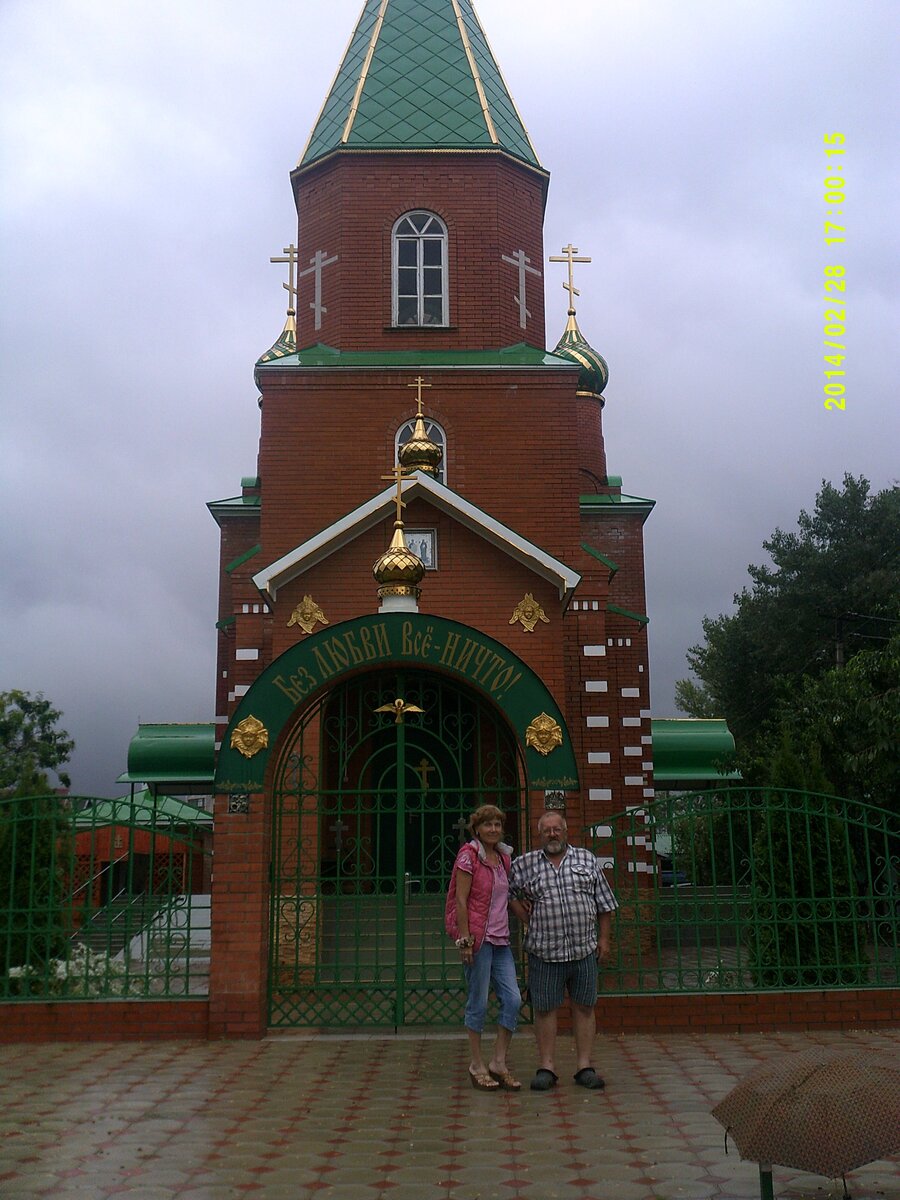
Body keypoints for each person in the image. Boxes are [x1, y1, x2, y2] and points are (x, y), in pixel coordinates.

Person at [509, 810, 618, 1091]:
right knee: (545, 1009)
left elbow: (604, 903)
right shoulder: (525, 864)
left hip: (583, 950)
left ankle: (584, 1066)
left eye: (557, 829)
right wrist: (523, 913)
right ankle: (547, 1067)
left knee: (584, 1007)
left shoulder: (586, 859)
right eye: (546, 830)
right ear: (539, 834)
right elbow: (505, 891)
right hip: (544, 952)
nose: (552, 834)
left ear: (566, 831)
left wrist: (604, 939)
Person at [445, 804, 522, 1090]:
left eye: (498, 825)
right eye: (488, 824)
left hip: (501, 940)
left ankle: (498, 1062)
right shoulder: (469, 856)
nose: (493, 829)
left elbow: (508, 895)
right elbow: (461, 900)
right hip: (478, 940)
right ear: (477, 828)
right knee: (478, 1001)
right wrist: (464, 940)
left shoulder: (503, 858)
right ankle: (476, 1064)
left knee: (513, 1000)